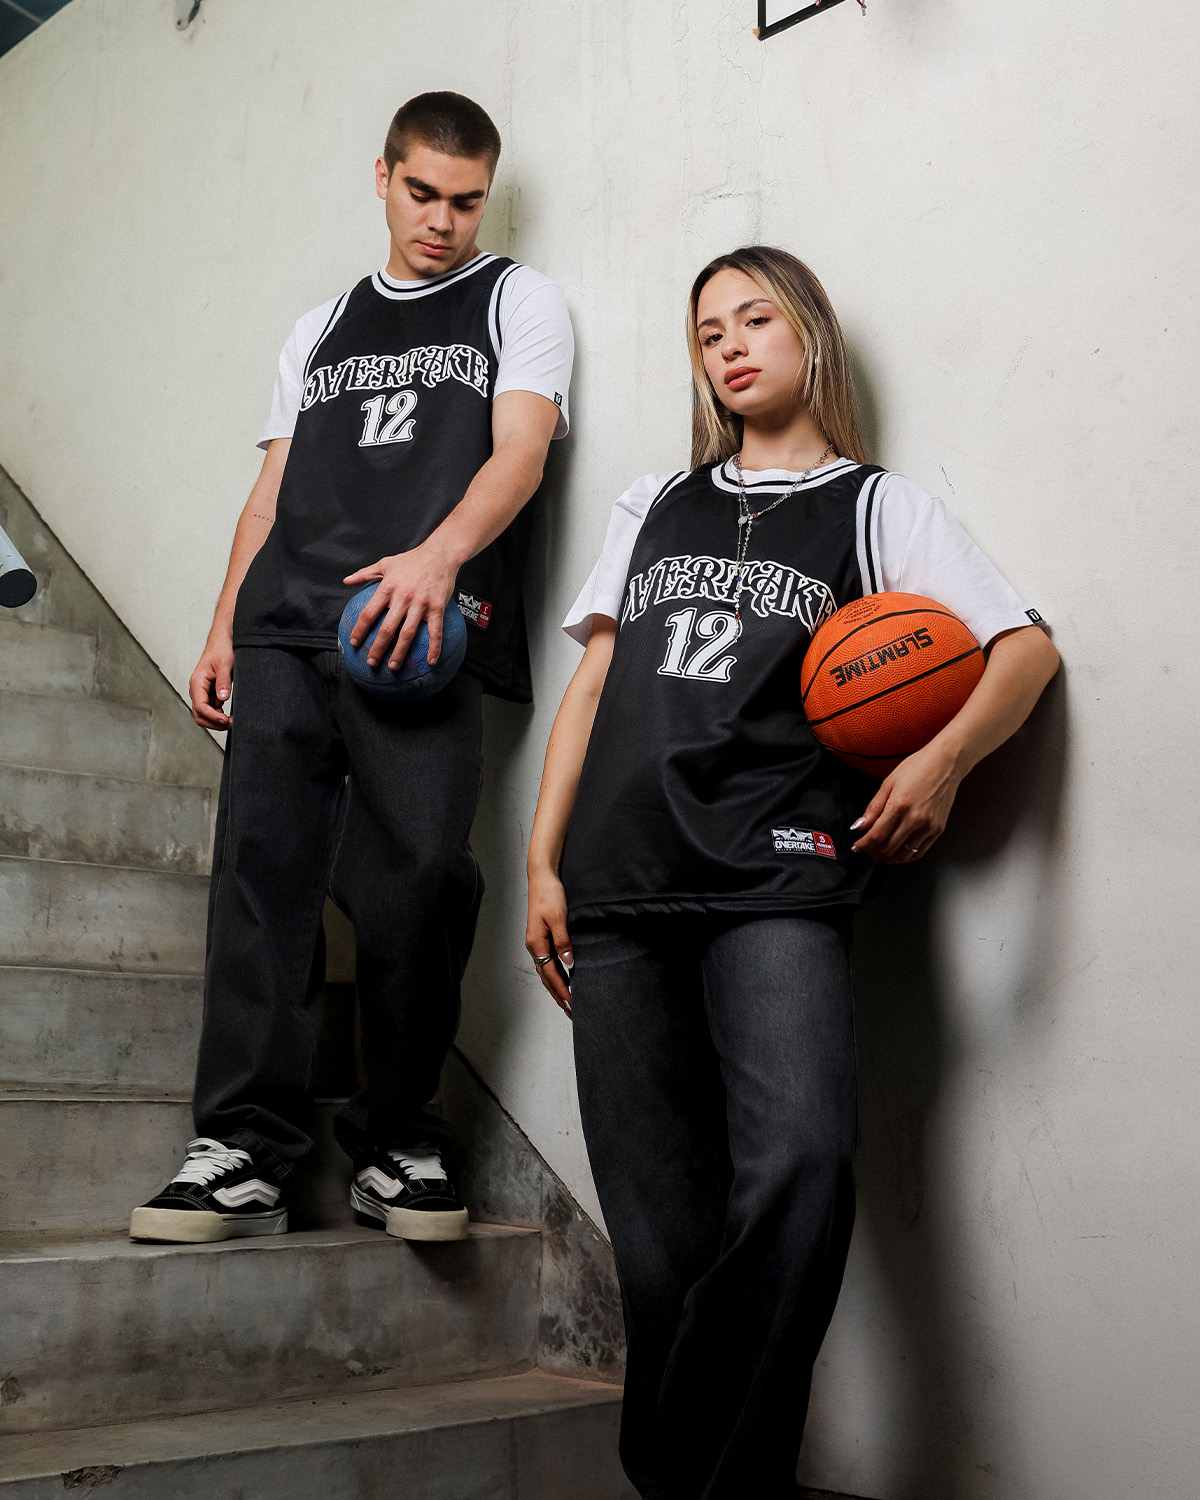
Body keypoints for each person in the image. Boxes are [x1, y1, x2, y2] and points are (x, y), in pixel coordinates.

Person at [525, 246, 1059, 1499]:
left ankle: (685, 1477)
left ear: (810, 333)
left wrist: (940, 765)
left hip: (777, 877)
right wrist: (543, 861)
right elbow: (593, 686)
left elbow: (1024, 650)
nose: (730, 344)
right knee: (658, 1244)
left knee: (803, 1164)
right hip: (619, 887)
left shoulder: (877, 509)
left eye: (755, 318)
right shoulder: (656, 501)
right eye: (708, 331)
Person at [130, 92, 573, 1247]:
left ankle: (396, 1140)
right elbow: (270, 493)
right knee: (261, 878)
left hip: (418, 634)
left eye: (466, 200)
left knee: (421, 881)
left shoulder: (515, 299)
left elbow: (522, 453)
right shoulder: (321, 326)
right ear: (382, 176)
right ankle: (243, 1151)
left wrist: (438, 556)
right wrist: (224, 625)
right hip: (286, 629)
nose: (441, 220)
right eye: (422, 192)